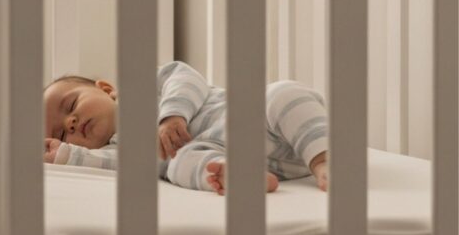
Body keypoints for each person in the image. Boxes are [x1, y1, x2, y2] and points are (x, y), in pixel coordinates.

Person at [42, 61, 330, 195]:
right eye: (62, 132)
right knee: (176, 165)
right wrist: (65, 154)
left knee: (282, 94)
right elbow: (110, 164)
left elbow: (186, 76)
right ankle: (235, 176)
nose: (71, 122)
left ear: (105, 88)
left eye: (71, 106)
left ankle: (323, 159)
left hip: (257, 117)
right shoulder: (118, 150)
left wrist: (173, 115)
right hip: (243, 157)